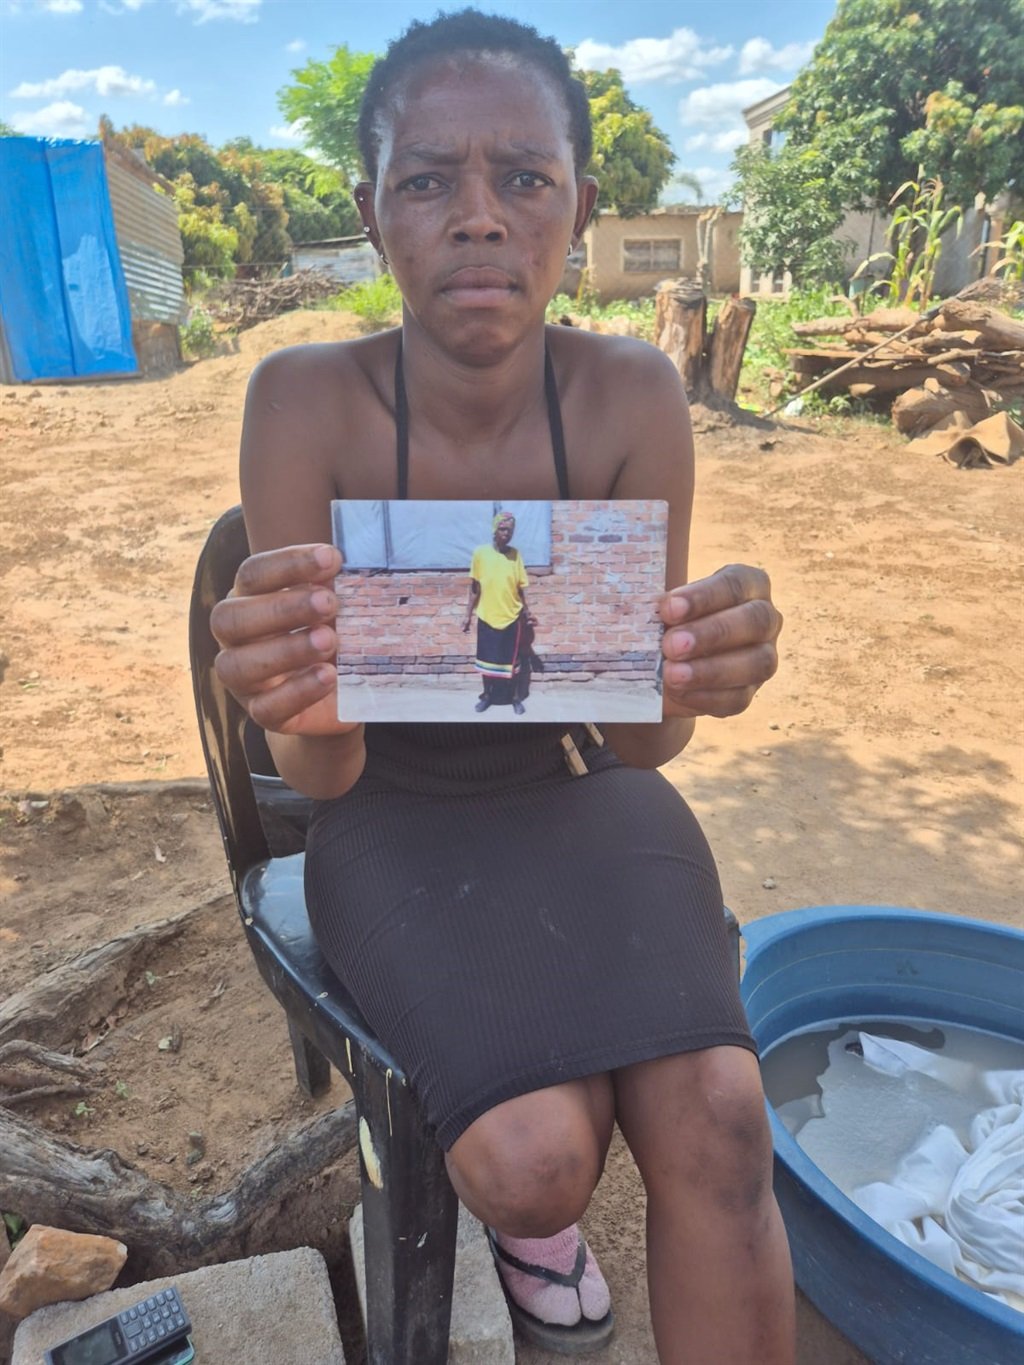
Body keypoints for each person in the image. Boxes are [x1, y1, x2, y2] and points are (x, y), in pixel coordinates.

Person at [210, 10, 792, 1362]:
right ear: (372, 213)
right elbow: (323, 774)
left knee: (721, 1117)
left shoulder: (632, 396)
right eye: (428, 180)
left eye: (523, 178)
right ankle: (536, 1228)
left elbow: (638, 743)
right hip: (385, 811)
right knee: (536, 1167)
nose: (478, 217)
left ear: (578, 212)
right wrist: (299, 702)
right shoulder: (303, 404)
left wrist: (694, 670)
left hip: (578, 788)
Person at [462, 510, 534, 714]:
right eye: (502, 529)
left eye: (510, 530)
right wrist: (467, 615)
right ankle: (487, 696)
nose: (506, 534)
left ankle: (515, 698)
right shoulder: (480, 554)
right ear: (494, 530)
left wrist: (527, 611)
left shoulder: (515, 555)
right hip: (487, 615)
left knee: (512, 662)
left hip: (511, 617)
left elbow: (520, 588)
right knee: (487, 660)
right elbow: (475, 588)